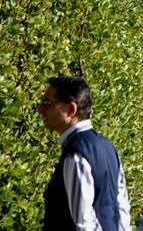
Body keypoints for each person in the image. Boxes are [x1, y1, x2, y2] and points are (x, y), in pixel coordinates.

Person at [37, 76, 131, 230]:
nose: (40, 109)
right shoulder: (107, 147)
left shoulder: (76, 155)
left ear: (71, 109)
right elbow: (122, 207)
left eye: (47, 104)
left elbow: (83, 221)